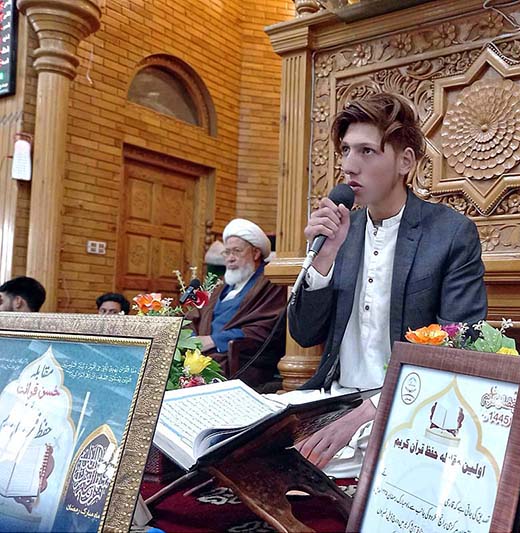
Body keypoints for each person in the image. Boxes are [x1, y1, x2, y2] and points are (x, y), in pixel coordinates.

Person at [288, 92, 487, 476]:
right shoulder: (341, 233)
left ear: (405, 161)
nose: (348, 166)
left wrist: (370, 411)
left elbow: (461, 346)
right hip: (330, 402)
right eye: (345, 151)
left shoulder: (450, 233)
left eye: (366, 152)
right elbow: (304, 332)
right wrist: (324, 260)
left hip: (405, 407)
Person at [187, 218, 286, 385]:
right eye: (227, 252)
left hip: (242, 361)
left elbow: (266, 328)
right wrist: (190, 340)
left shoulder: (270, 284)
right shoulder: (221, 286)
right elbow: (195, 315)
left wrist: (214, 341)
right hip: (203, 356)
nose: (230, 258)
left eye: (237, 251)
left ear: (255, 253)